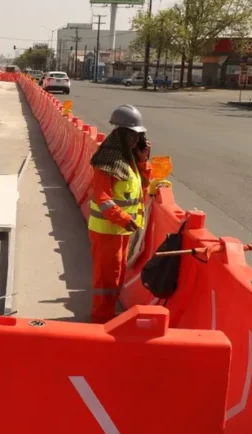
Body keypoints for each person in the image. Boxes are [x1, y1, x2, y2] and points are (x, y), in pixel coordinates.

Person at [88, 104, 152, 323]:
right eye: (134, 137)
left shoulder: (129, 161)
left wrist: (144, 161)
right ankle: (101, 319)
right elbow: (102, 198)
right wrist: (124, 219)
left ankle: (106, 314)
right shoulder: (106, 163)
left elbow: (141, 189)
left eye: (139, 137)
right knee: (106, 279)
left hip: (121, 231)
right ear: (123, 136)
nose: (137, 141)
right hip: (108, 231)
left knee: (116, 276)